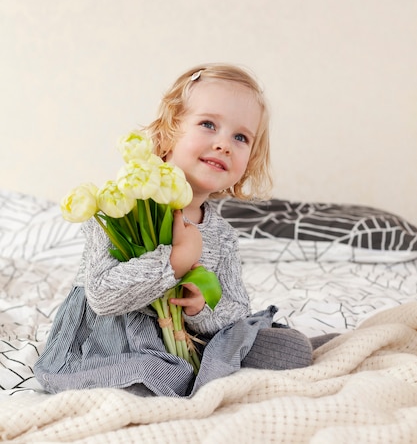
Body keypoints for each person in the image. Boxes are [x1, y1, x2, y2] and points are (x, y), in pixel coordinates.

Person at [34, 63, 319, 398]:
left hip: (189, 339)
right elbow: (101, 295)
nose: (224, 144)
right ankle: (172, 377)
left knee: (294, 349)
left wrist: (201, 310)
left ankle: (192, 372)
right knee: (152, 375)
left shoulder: (221, 235)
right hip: (112, 339)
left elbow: (236, 310)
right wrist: (175, 262)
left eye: (240, 137)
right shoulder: (119, 208)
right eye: (208, 124)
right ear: (168, 135)